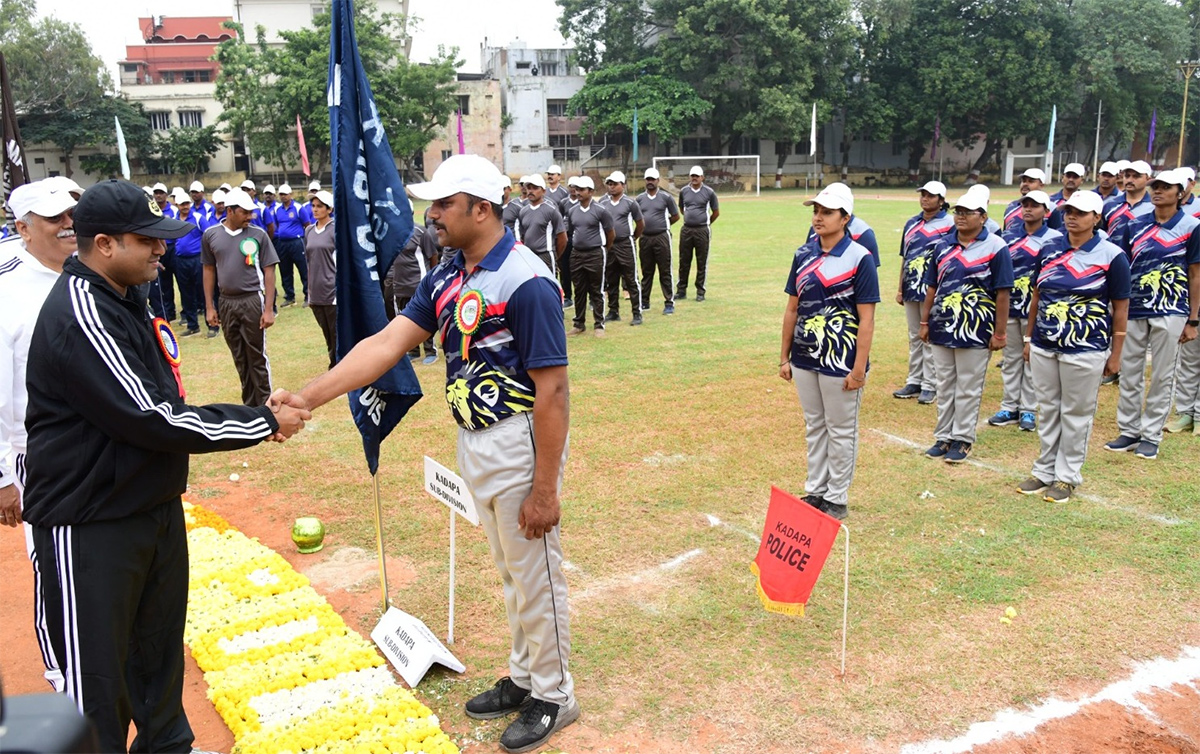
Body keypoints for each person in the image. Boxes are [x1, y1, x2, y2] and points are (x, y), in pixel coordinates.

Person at [272, 154, 578, 754]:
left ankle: (555, 693)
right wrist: (307, 396)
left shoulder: (526, 280)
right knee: (512, 573)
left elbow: (555, 391)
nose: (430, 214)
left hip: (518, 443)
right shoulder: (448, 274)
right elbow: (386, 344)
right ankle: (524, 677)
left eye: (442, 204)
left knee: (536, 577)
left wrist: (545, 489)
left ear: (480, 209)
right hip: (475, 441)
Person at [22, 179, 308, 754]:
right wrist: (260, 420)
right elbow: (152, 417)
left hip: (146, 504)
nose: (161, 250)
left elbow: (162, 404)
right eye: (147, 240)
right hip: (90, 521)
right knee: (96, 680)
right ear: (104, 244)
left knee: (156, 651)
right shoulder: (82, 310)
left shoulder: (126, 297)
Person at [0, 179, 79, 693]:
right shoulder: (6, 292)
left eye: (73, 212)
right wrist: (2, 475)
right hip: (37, 453)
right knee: (52, 564)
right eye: (54, 217)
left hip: (96, 443)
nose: (68, 223)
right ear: (23, 228)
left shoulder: (85, 273)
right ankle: (62, 673)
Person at [1018, 191, 1130, 502]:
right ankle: (1044, 470)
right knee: (1049, 409)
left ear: (1096, 218)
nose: (1072, 217)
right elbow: (1037, 296)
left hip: (1086, 348)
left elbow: (1120, 307)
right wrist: (1029, 338)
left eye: (1081, 213)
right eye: (1069, 211)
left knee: (1076, 413)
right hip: (1044, 343)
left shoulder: (1112, 255)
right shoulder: (1050, 248)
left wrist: (1116, 353)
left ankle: (1067, 476)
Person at [778, 183, 879, 520]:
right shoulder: (803, 254)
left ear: (845, 218)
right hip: (806, 358)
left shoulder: (859, 258)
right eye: (816, 211)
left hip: (841, 360)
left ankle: (837, 496)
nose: (818, 217)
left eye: (827, 212)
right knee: (815, 425)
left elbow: (866, 319)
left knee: (840, 428)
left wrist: (859, 368)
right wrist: (785, 357)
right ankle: (816, 489)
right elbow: (792, 308)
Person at [1104, 169, 1200, 459]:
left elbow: (1195, 274)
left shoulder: (1191, 227)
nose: (1158, 191)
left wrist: (1193, 318)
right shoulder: (1135, 225)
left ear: (1180, 193)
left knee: (1162, 374)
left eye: (1165, 187)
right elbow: (1121, 267)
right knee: (1130, 370)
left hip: (1171, 309)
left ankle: (1151, 435)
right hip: (1135, 307)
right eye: (1155, 186)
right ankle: (1129, 430)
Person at [920, 188, 1013, 463]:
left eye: (967, 212)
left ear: (983, 217)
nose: (960, 217)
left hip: (976, 330)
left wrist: (999, 332)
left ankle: (962, 438)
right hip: (942, 327)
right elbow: (932, 287)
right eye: (957, 212)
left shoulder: (997, 247)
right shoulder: (941, 246)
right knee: (945, 383)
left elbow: (1003, 293)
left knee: (969, 386)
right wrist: (925, 321)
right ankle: (944, 435)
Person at [987, 190, 1061, 431]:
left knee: (1032, 359)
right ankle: (1009, 405)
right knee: (1010, 359)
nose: (1028, 209)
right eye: (1025, 205)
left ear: (1046, 211)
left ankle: (1028, 409)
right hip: (1010, 306)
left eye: (1035, 205)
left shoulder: (1055, 238)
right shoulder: (1006, 237)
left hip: (1037, 308)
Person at [202, 188, 280, 407]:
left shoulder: (258, 235)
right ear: (230, 211)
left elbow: (269, 272)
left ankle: (267, 405)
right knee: (239, 355)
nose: (250, 217)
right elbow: (208, 270)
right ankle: (250, 406)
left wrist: (268, 309)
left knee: (256, 356)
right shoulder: (211, 235)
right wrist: (210, 306)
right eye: (245, 212)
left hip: (252, 300)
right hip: (226, 302)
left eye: (251, 212)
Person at [894, 181, 954, 404]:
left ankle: (930, 384)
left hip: (935, 288)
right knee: (914, 336)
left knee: (930, 335)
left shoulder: (949, 224)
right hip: (912, 286)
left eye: (931, 196)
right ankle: (914, 380)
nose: (925, 199)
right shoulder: (912, 223)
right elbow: (905, 256)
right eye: (923, 195)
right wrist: (900, 287)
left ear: (941, 200)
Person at [383, 209, 440, 365]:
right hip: (399, 284)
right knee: (406, 318)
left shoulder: (420, 232)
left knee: (425, 316)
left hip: (418, 283)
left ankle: (430, 350)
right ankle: (413, 350)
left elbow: (433, 256)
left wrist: (428, 277)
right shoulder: (391, 234)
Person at [567, 176, 614, 336]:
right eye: (576, 189)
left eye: (581, 189)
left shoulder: (601, 210)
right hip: (577, 254)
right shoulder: (572, 211)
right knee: (578, 290)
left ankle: (599, 325)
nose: (578, 192)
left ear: (591, 191)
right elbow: (572, 232)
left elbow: (610, 233)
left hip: (595, 253)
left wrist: (602, 249)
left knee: (597, 290)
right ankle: (579, 324)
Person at [635, 167, 680, 315]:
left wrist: (662, 225)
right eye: (648, 179)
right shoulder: (640, 199)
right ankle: (645, 301)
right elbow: (637, 219)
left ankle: (669, 302)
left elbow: (675, 216)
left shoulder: (666, 198)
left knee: (665, 270)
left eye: (653, 179)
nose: (650, 182)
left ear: (658, 181)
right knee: (647, 271)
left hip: (662, 237)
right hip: (645, 238)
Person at [602, 170, 644, 325]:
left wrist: (632, 238)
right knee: (611, 279)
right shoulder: (603, 203)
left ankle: (637, 313)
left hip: (625, 244)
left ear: (623, 185)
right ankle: (613, 311)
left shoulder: (630, 203)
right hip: (610, 245)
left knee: (631, 279)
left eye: (615, 184)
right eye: (610, 184)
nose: (611, 187)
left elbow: (640, 224)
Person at [304, 190, 338, 370]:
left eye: (319, 206)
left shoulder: (335, 230)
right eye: (313, 206)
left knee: (336, 333)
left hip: (332, 291)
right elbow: (309, 260)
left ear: (329, 209)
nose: (315, 209)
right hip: (315, 290)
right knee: (326, 333)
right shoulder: (309, 230)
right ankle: (333, 362)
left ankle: (339, 367)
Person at [676, 165, 719, 301]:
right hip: (687, 230)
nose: (694, 178)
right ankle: (681, 290)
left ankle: (700, 291)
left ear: (702, 177)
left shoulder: (709, 192)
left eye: (697, 176)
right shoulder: (684, 191)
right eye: (692, 176)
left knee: (701, 261)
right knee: (684, 260)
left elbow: (716, 212)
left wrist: (705, 223)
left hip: (702, 230)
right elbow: (682, 208)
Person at [172, 189, 210, 337]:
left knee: (204, 291)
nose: (185, 206)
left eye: (187, 203)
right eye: (182, 204)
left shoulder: (198, 218)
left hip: (197, 259)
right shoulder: (174, 220)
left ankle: (211, 325)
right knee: (186, 293)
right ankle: (192, 325)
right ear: (177, 205)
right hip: (181, 260)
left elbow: (208, 236)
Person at [516, 173, 567, 274]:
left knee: (549, 286)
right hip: (529, 255)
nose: (531, 191)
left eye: (535, 188)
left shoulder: (551, 210)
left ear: (543, 191)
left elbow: (562, 237)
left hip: (546, 255)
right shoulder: (523, 211)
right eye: (529, 188)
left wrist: (554, 255)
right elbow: (523, 236)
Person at [273, 184, 309, 307]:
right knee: (285, 270)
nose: (283, 196)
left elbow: (307, 224)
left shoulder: (298, 208)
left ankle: (308, 295)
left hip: (297, 242)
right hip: (282, 243)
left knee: (303, 269)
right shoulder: (278, 209)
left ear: (291, 194)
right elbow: (277, 224)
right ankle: (289, 296)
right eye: (281, 194)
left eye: (285, 194)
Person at [1046, 162, 1087, 230]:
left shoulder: (1086, 201)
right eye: (1068, 176)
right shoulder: (1050, 200)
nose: (1071, 179)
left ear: (1082, 180)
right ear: (1063, 177)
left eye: (1075, 177)